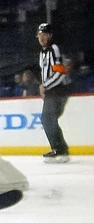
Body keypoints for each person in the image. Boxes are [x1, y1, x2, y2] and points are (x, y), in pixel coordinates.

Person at [37, 23, 72, 163]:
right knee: (48, 119)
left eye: (44, 35)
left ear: (50, 35)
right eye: (39, 35)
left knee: (47, 118)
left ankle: (60, 150)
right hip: (53, 90)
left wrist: (45, 86)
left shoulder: (54, 49)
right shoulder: (43, 52)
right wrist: (45, 86)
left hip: (59, 89)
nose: (41, 38)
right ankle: (59, 149)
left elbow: (60, 72)